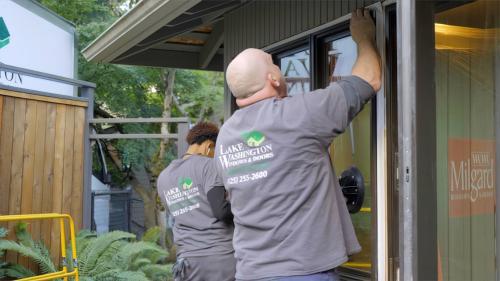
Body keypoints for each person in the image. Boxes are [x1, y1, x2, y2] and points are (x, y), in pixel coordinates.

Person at [214, 9, 381, 281]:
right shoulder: (296, 115)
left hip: (251, 272)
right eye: (274, 63)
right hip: (304, 272)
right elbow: (370, 79)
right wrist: (363, 38)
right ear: (273, 79)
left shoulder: (226, 136)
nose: (278, 67)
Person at [157, 122, 236, 281]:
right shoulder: (209, 165)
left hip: (187, 262)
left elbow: (178, 214)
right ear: (209, 146)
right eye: (215, 151)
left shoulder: (164, 177)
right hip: (220, 259)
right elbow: (221, 211)